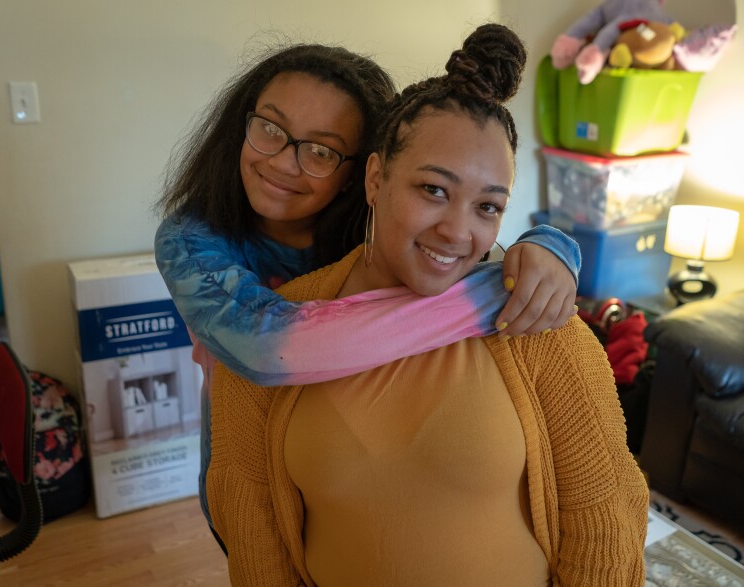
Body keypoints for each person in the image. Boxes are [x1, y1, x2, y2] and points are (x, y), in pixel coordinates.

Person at [205, 22, 649, 586]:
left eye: (488, 207)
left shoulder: (536, 324)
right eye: (433, 190)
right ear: (375, 177)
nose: (457, 231)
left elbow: (604, 510)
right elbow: (251, 520)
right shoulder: (269, 336)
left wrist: (552, 244)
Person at [154, 40, 582, 542]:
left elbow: (461, 240)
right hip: (255, 475)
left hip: (366, 476)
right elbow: (269, 347)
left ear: (365, 173)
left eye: (321, 150)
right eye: (270, 128)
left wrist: (548, 248)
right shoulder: (190, 239)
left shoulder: (384, 234)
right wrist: (496, 295)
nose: (285, 163)